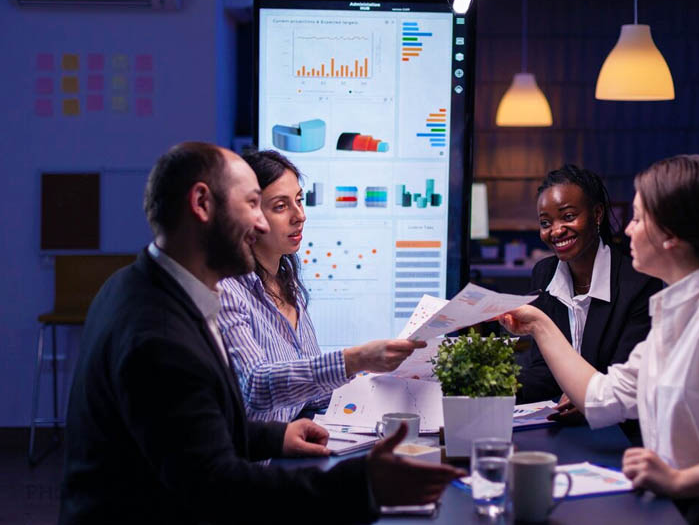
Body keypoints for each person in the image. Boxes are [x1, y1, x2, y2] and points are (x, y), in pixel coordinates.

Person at [60, 142, 463, 524]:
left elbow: (192, 430)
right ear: (202, 204)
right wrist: (364, 486)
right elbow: (214, 486)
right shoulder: (160, 335)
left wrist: (273, 438)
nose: (257, 224)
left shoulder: (140, 286)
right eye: (254, 204)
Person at [500, 155, 699, 523]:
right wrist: (539, 323)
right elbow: (602, 397)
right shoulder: (675, 316)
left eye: (638, 218)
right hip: (676, 506)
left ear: (671, 233)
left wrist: (680, 480)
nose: (629, 230)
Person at [218, 150, 424, 423]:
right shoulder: (227, 292)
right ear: (247, 215)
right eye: (281, 206)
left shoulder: (286, 283)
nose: (299, 215)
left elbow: (312, 398)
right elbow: (257, 386)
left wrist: (389, 379)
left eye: (299, 201)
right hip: (260, 460)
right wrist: (355, 359)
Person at [518, 164, 661, 416]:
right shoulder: (544, 274)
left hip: (618, 428)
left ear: (597, 215)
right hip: (557, 420)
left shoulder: (638, 283)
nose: (557, 230)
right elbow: (543, 369)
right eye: (545, 222)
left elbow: (626, 377)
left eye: (568, 216)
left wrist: (585, 396)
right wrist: (496, 390)